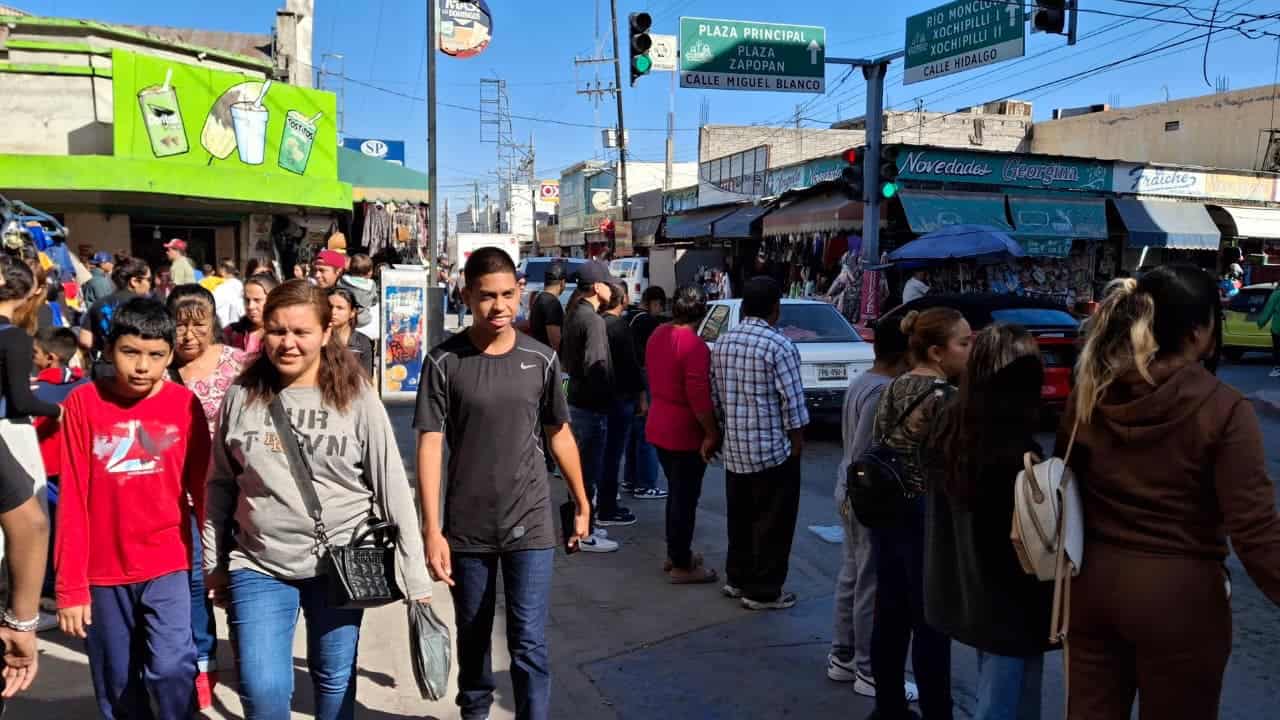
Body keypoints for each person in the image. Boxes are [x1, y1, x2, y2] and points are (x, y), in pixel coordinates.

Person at [1058, 265, 1280, 720]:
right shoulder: (1223, 409)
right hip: (1182, 602)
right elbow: (1256, 533)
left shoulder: (1091, 391)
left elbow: (1064, 481)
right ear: (1199, 331)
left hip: (1092, 588)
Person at [203, 280, 431, 720]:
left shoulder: (356, 396)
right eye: (276, 330)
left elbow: (391, 487)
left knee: (333, 678)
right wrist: (214, 562)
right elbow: (220, 484)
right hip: (259, 562)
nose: (287, 343)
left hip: (342, 563)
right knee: (262, 688)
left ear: (326, 332)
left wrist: (415, 575)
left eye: (301, 332)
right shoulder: (241, 396)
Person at [415, 247, 591, 720]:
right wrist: (432, 530)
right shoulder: (443, 362)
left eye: (508, 295)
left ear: (520, 292)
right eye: (487, 296)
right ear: (468, 295)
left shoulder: (542, 360)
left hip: (530, 523)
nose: (499, 307)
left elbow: (560, 432)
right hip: (467, 528)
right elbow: (430, 446)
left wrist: (581, 499)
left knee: (528, 642)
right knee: (474, 642)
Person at [55, 297, 210, 719]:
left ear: (170, 356)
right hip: (102, 572)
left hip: (168, 562)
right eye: (131, 353)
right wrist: (71, 588)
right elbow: (72, 500)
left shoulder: (184, 405)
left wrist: (216, 561)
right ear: (108, 350)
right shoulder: (83, 404)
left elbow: (205, 491)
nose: (142, 366)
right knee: (119, 687)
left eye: (156, 356)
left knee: (173, 665)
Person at [925, 324, 1053, 720]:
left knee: (1007, 694)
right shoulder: (1013, 451)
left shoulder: (952, 426)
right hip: (1011, 601)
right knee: (1005, 700)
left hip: (972, 590)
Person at [868, 306, 972, 720]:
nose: (971, 349)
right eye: (964, 343)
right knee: (931, 623)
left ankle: (889, 707)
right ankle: (936, 712)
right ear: (936, 352)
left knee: (890, 617)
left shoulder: (893, 387)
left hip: (888, 513)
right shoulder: (947, 399)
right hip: (927, 520)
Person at [165, 285, 249, 709]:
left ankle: (249, 658)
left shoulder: (239, 363)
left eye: (199, 324)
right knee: (195, 586)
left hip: (238, 498)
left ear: (213, 322)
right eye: (180, 325)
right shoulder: (159, 370)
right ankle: (204, 665)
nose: (189, 335)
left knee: (239, 586)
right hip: (182, 501)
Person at [827, 315, 915, 701]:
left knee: (854, 574)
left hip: (848, 487)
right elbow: (865, 451)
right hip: (863, 493)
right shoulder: (883, 391)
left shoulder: (865, 381)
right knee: (869, 581)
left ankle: (844, 653)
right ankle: (868, 666)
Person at [709, 276, 809, 611]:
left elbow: (716, 397)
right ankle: (764, 591)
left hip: (736, 450)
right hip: (771, 452)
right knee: (773, 523)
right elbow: (792, 404)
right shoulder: (778, 345)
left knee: (740, 518)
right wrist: (797, 445)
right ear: (775, 309)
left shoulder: (723, 342)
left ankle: (737, 579)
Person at [645, 285, 720, 583]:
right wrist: (712, 433)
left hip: (660, 424)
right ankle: (680, 563)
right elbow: (699, 397)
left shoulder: (658, 334)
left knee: (677, 494)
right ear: (702, 313)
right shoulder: (694, 345)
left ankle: (678, 554)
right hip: (683, 431)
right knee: (684, 498)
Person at [561, 261, 630, 548]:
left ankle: (581, 528)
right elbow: (597, 366)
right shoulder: (592, 320)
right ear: (598, 287)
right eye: (609, 284)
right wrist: (607, 401)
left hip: (578, 400)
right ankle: (583, 534)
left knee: (582, 473)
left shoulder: (576, 313)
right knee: (587, 473)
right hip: (590, 406)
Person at [31, 327, 88, 622]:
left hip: (48, 472)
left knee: (50, 530)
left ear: (50, 358)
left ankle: (51, 590)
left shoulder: (34, 390)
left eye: (35, 355)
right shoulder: (87, 384)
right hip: (80, 469)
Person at [601, 281, 648, 524]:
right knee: (612, 454)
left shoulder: (597, 322)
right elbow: (632, 366)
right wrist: (641, 396)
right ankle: (608, 507)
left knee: (606, 453)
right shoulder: (619, 326)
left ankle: (604, 502)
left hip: (601, 398)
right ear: (623, 300)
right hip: (619, 398)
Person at [625, 286, 667, 499]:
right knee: (647, 432)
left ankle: (631, 479)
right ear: (655, 303)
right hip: (644, 377)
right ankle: (646, 483)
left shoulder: (628, 317)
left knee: (634, 432)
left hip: (628, 380)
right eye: (660, 306)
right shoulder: (648, 322)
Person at [79, 257, 152, 375]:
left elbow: (85, 340)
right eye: (149, 280)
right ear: (134, 281)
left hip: (106, 368)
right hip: (138, 368)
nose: (150, 284)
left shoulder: (99, 304)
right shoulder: (148, 306)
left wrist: (104, 345)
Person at [224, 273, 279, 357]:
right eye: (247, 300)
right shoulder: (231, 332)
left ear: (272, 300)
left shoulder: (280, 334)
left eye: (257, 300)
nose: (250, 306)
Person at [328, 286, 375, 379]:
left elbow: (366, 379)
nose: (333, 312)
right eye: (330, 307)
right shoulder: (320, 339)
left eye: (340, 308)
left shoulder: (362, 342)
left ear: (352, 312)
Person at [337, 253, 379, 341]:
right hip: (364, 319)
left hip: (347, 318)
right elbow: (374, 300)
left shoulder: (342, 281)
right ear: (369, 272)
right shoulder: (371, 285)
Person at [528, 262, 567, 353]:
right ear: (562, 283)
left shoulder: (539, 298)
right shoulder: (552, 303)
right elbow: (555, 341)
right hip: (548, 359)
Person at [1256, 282, 1280, 377]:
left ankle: (1278, 368)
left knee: (1278, 348)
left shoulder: (1276, 294)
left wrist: (1261, 322)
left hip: (1278, 327)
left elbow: (1268, 309)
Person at [212, 260, 245, 328]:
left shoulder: (220, 288)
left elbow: (212, 304)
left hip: (223, 325)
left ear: (223, 271)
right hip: (237, 325)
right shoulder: (240, 285)